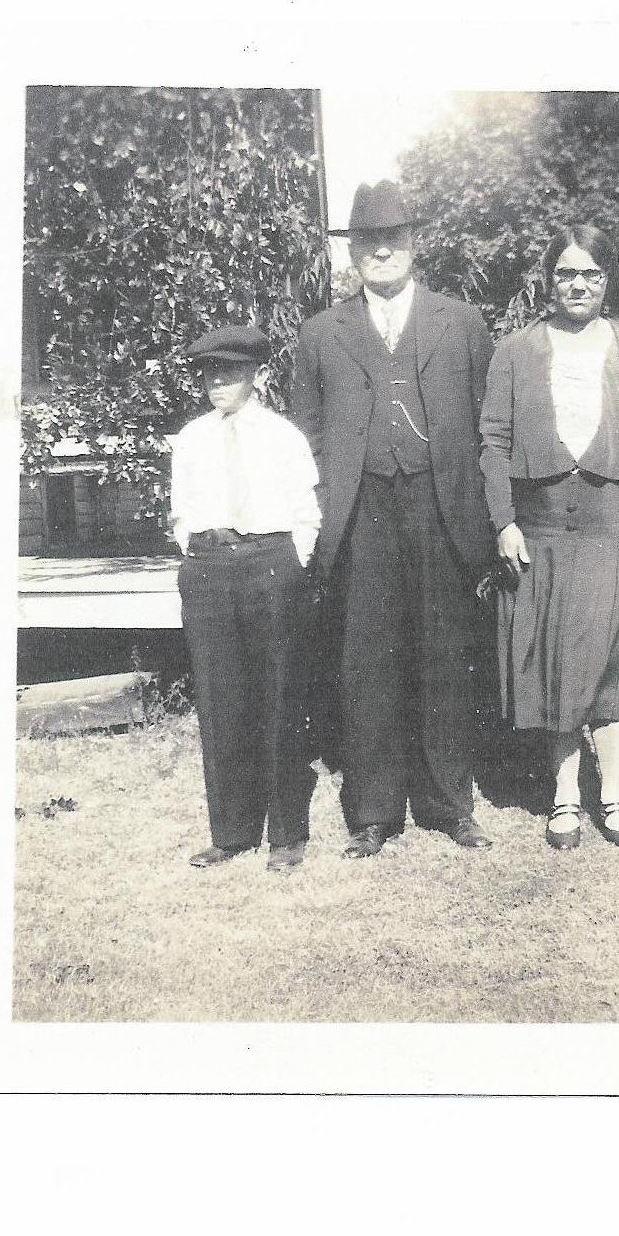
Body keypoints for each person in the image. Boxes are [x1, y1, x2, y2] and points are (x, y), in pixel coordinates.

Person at [291, 180, 496, 859]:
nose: (381, 250)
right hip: (362, 515)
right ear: (351, 251)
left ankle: (449, 804)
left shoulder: (461, 322)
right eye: (367, 240)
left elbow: (487, 426)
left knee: (445, 659)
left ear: (414, 243)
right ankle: (373, 812)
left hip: (442, 511)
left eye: (393, 237)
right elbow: (308, 433)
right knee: (366, 664)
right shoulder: (322, 333)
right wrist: (323, 512)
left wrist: (484, 518)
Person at [479, 225, 619, 849]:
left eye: (590, 274)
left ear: (606, 280)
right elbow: (494, 442)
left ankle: (613, 795)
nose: (577, 285)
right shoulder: (516, 350)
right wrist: (504, 521)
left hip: (616, 525)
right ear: (549, 279)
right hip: (545, 525)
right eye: (565, 273)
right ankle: (563, 799)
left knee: (614, 658)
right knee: (557, 658)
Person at [170, 324, 322, 873]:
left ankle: (286, 833)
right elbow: (182, 508)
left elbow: (306, 513)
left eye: (230, 373)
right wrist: (198, 550)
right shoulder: (192, 438)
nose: (217, 383)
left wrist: (287, 563)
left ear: (259, 376)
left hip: (269, 564)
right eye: (209, 374)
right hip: (209, 568)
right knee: (221, 699)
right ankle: (231, 831)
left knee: (280, 698)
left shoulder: (283, 436)